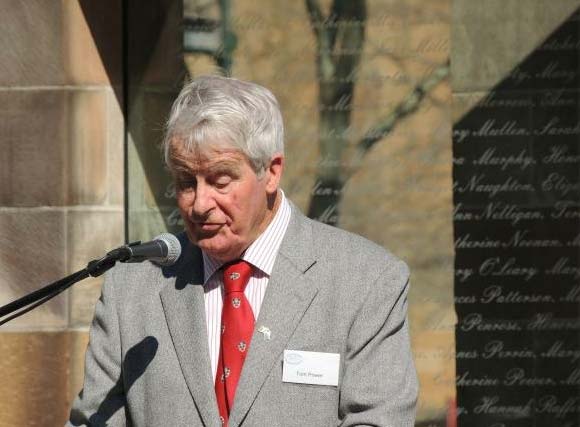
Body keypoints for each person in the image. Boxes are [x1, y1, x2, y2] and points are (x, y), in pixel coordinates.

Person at [67, 76, 418, 427]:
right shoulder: (130, 292)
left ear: (271, 172)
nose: (200, 204)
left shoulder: (365, 280)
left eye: (220, 181)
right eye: (186, 183)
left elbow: (378, 419)